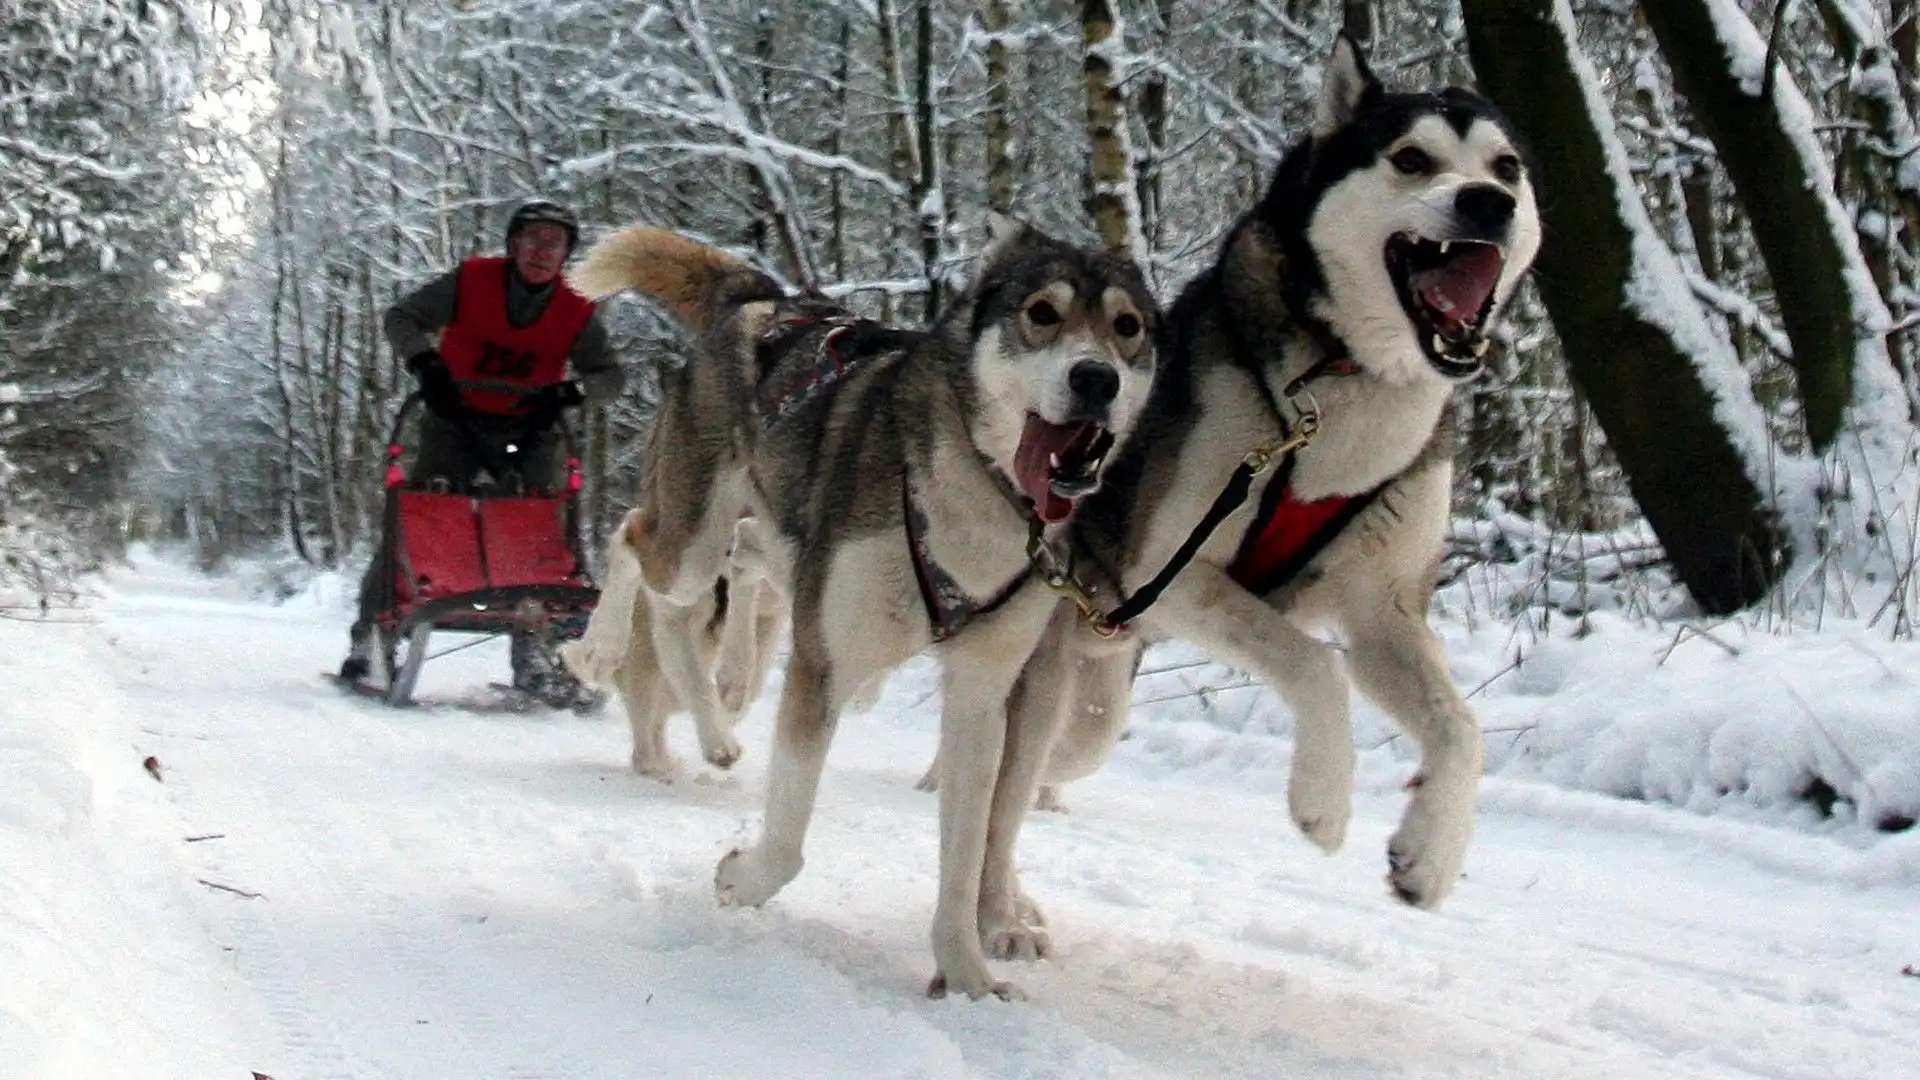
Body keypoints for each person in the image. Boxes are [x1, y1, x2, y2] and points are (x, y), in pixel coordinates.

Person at [340, 198, 624, 686]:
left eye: (553, 242)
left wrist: (570, 392)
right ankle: (372, 635)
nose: (541, 250)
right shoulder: (471, 281)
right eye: (532, 238)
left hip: (531, 431)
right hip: (455, 421)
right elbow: (401, 318)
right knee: (416, 523)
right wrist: (425, 363)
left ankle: (536, 651)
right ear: (513, 245)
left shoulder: (576, 308)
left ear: (565, 255)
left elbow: (610, 376)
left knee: (538, 538)